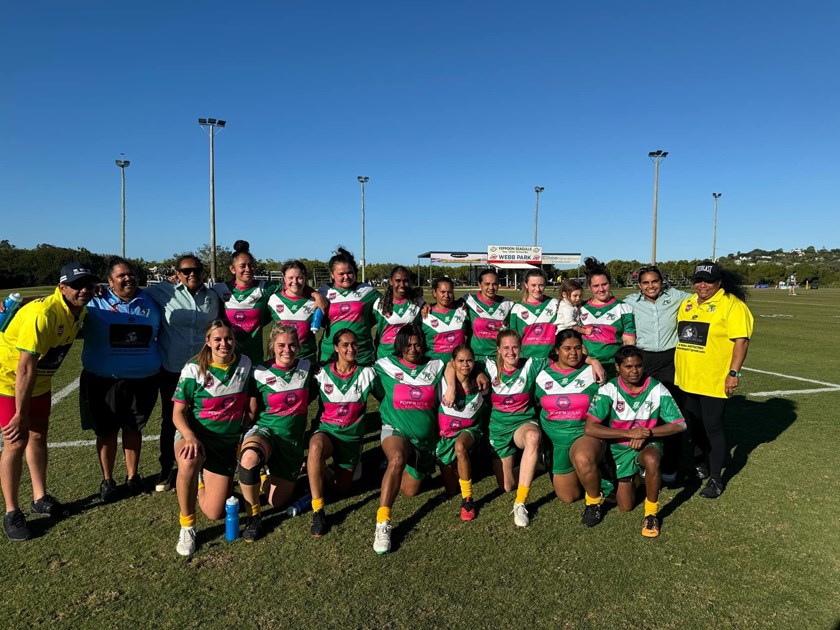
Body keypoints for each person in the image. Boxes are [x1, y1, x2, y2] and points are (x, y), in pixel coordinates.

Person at [0, 262, 95, 541]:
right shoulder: (43, 314)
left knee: (38, 435)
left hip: (40, 383)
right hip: (9, 383)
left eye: (88, 284)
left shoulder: (79, 308)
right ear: (62, 287)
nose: (84, 290)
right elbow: (25, 368)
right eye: (77, 285)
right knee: (15, 442)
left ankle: (39, 497)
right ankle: (11, 511)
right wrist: (19, 412)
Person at [79, 257, 161, 502]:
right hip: (105, 381)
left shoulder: (152, 301)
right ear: (109, 281)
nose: (128, 278)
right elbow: (64, 299)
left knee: (134, 428)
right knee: (105, 432)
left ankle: (132, 476)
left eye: (131, 274)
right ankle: (107, 480)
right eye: (122, 276)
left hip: (143, 380)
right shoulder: (94, 301)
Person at [172, 320, 255, 557]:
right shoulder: (193, 368)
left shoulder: (245, 363)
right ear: (208, 342)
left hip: (225, 443)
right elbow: (177, 413)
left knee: (215, 512)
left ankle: (201, 480)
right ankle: (187, 526)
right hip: (196, 435)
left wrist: (245, 429)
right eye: (217, 339)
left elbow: (251, 399)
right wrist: (189, 436)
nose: (223, 344)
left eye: (228, 338)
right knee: (188, 460)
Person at [585, 346, 687, 537]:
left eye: (638, 366)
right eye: (629, 367)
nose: (634, 371)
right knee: (625, 506)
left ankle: (651, 514)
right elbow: (590, 427)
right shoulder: (609, 389)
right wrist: (630, 434)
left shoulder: (656, 388)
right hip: (619, 448)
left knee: (651, 459)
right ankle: (634, 478)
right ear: (617, 367)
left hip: (647, 443)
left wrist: (646, 434)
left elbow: (679, 425)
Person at [675, 261, 754, 498]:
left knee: (713, 428)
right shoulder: (688, 302)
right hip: (687, 378)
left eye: (708, 281)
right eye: (698, 280)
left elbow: (741, 341)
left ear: (719, 281)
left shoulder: (732, 304)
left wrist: (733, 373)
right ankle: (700, 465)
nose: (702, 285)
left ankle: (716, 478)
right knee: (694, 427)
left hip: (713, 380)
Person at [145, 254, 221, 493]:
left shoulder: (212, 296)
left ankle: (207, 464)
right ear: (177, 272)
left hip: (204, 369)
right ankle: (166, 468)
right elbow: (130, 294)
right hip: (172, 369)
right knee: (171, 420)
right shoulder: (161, 292)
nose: (192, 274)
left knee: (205, 416)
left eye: (196, 270)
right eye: (186, 270)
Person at [237, 324, 316, 542]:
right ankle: (254, 517)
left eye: (292, 345)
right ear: (273, 346)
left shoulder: (308, 369)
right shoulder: (259, 372)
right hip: (266, 431)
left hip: (291, 443)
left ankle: (263, 474)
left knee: (278, 501)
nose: (287, 350)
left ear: (298, 346)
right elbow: (250, 409)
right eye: (281, 345)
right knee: (250, 458)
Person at [372, 324, 445, 554]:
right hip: (396, 430)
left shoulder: (436, 365)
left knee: (410, 490)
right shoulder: (384, 365)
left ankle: (385, 466)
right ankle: (382, 523)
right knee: (396, 458)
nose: (413, 349)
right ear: (399, 346)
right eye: (408, 345)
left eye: (417, 344)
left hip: (425, 442)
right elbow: (363, 380)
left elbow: (460, 366)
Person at [307, 329, 377, 537]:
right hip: (326, 431)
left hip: (351, 440)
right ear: (336, 348)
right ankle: (318, 511)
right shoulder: (321, 373)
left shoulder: (367, 374)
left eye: (354, 344)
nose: (351, 348)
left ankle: (320, 468)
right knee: (316, 447)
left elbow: (388, 398)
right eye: (345, 345)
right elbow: (301, 398)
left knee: (342, 488)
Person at [625, 265, 691, 482]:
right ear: (640, 285)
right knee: (643, 411)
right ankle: (642, 459)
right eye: (645, 283)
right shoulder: (630, 302)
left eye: (654, 281)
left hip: (671, 359)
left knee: (672, 411)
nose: (650, 286)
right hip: (644, 359)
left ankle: (670, 466)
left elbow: (701, 297)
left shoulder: (676, 297)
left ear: (661, 282)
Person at [534, 329, 604, 527]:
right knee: (568, 496)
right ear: (556, 350)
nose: (573, 353)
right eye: (566, 348)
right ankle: (590, 473)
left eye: (577, 348)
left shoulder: (593, 373)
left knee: (583, 458)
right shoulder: (542, 376)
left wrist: (594, 361)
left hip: (584, 435)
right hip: (557, 443)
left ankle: (594, 502)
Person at [483, 329, 543, 527]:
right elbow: (454, 363)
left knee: (533, 437)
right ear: (498, 350)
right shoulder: (487, 365)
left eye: (515, 347)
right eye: (506, 348)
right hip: (498, 429)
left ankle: (520, 503)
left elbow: (562, 357)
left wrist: (593, 361)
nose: (511, 352)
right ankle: (536, 463)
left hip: (523, 424)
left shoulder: (531, 365)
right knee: (506, 485)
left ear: (521, 348)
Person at [436, 344, 486, 521]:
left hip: (469, 431)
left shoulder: (481, 383)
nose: (465, 365)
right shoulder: (443, 380)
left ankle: (468, 500)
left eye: (469, 360)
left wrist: (480, 372)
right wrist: (450, 387)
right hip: (445, 435)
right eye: (461, 361)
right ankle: (461, 472)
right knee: (450, 489)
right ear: (453, 362)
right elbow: (447, 366)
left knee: (460, 447)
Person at [212, 240, 277, 364]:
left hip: (254, 357)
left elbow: (292, 284)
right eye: (243, 266)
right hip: (226, 355)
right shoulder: (219, 289)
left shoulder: (264, 288)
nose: (248, 269)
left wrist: (315, 295)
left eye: (251, 265)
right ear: (232, 269)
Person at [318, 248, 380, 365]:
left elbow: (391, 302)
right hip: (330, 353)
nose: (346, 277)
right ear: (332, 274)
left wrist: (417, 298)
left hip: (361, 354)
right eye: (341, 274)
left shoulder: (367, 291)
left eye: (349, 272)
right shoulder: (323, 291)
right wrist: (315, 295)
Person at [579, 257, 636, 379]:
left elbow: (628, 342)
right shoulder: (580, 309)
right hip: (585, 366)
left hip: (614, 368)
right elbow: (577, 342)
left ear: (610, 283)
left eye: (604, 284)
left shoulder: (624, 308)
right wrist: (590, 361)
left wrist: (622, 367)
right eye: (596, 286)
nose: (601, 289)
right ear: (589, 287)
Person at [266, 260, 329, 362]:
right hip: (279, 360)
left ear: (305, 279)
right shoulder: (273, 299)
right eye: (290, 278)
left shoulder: (315, 302)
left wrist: (317, 296)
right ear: (284, 279)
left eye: (299, 278)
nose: (294, 282)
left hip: (305, 360)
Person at [373, 266, 423, 360]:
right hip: (385, 355)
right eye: (398, 280)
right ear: (391, 282)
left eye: (405, 280)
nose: (402, 284)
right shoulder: (380, 304)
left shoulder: (418, 303)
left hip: (409, 355)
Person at [509, 269, 561, 359]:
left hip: (550, 359)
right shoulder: (517, 308)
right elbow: (513, 339)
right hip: (525, 359)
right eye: (533, 285)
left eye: (541, 285)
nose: (537, 289)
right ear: (526, 285)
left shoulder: (555, 304)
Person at [464, 269, 513, 362]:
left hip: (499, 357)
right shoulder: (468, 300)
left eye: (494, 284)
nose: (491, 287)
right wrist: (427, 305)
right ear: (479, 284)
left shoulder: (508, 304)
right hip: (475, 357)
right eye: (487, 284)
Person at [422, 276, 469, 363]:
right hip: (433, 367)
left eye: (450, 292)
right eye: (442, 292)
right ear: (434, 293)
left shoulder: (462, 310)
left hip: (459, 367)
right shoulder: (425, 314)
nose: (446, 295)